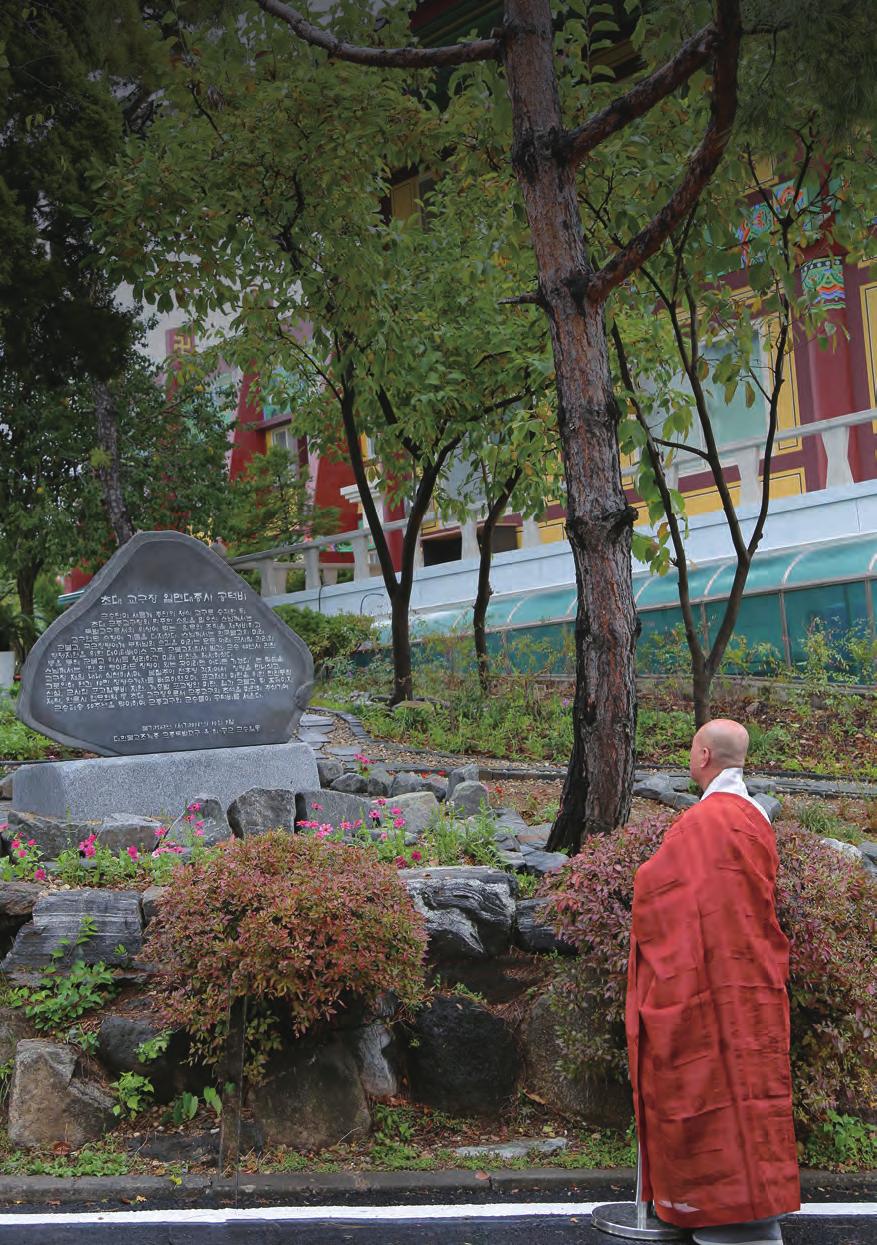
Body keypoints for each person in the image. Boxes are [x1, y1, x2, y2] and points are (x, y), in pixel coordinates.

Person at [625, 718, 800, 1245]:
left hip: (703, 984)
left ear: (702, 756)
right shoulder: (754, 819)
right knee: (752, 1086)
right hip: (752, 983)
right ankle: (749, 1205)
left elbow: (658, 889)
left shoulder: (700, 825)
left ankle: (717, 1210)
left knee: (704, 1084)